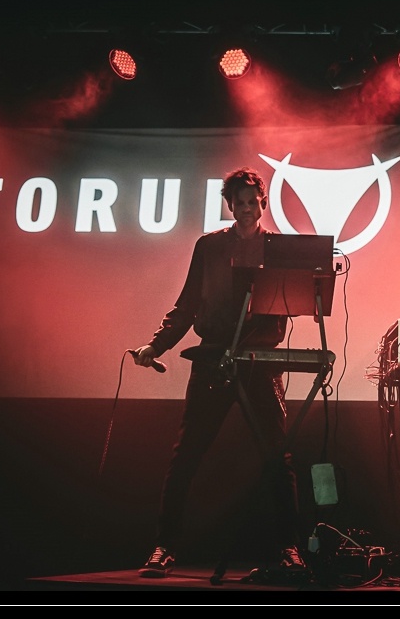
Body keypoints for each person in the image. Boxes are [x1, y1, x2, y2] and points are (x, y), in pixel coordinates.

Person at [131, 167, 306, 578]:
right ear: (230, 206)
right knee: (187, 453)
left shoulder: (278, 248)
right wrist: (157, 344)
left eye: (252, 202)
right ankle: (164, 546)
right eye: (239, 202)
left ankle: (289, 548)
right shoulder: (209, 246)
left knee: (277, 456)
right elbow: (188, 302)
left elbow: (292, 303)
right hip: (213, 358)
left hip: (259, 363)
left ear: (263, 203)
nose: (246, 209)